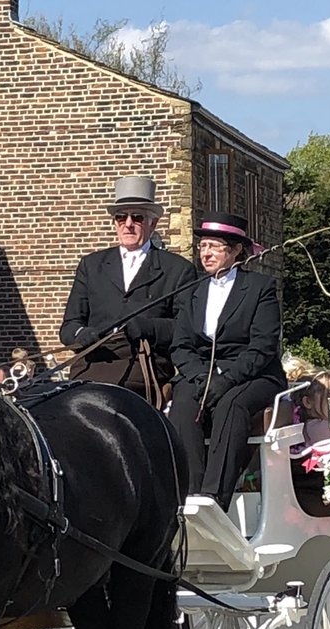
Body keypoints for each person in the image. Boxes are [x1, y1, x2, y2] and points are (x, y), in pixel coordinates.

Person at [167, 212, 286, 509]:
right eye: (202, 246)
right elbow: (181, 346)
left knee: (232, 403)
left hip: (252, 374)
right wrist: (201, 377)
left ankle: (214, 497)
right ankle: (189, 493)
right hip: (202, 373)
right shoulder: (192, 290)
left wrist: (226, 377)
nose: (206, 253)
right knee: (182, 404)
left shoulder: (259, 288)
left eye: (214, 247)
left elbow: (263, 346)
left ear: (235, 251)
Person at [59, 176, 197, 397]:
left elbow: (186, 327)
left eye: (137, 217)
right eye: (121, 217)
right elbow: (69, 326)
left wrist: (148, 327)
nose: (128, 224)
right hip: (93, 362)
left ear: (153, 223)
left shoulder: (177, 270)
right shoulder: (92, 265)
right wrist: (81, 333)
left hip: (142, 364)